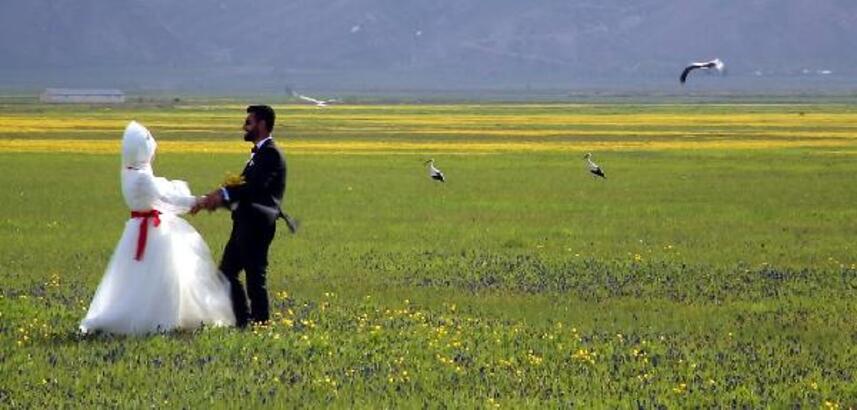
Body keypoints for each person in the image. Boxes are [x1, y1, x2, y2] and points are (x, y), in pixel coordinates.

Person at [80, 121, 235, 335]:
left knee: (136, 278)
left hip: (137, 230)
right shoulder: (142, 177)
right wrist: (196, 201)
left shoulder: (129, 170)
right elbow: (166, 199)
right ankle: (158, 320)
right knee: (164, 276)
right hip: (154, 233)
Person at [193, 105, 288, 328]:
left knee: (255, 275)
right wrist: (215, 197)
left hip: (257, 225)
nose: (243, 127)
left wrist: (222, 195)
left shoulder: (271, 154)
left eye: (248, 122)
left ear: (262, 125)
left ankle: (260, 324)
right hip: (243, 223)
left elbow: (253, 188)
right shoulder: (258, 155)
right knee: (226, 273)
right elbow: (241, 187)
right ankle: (244, 321)